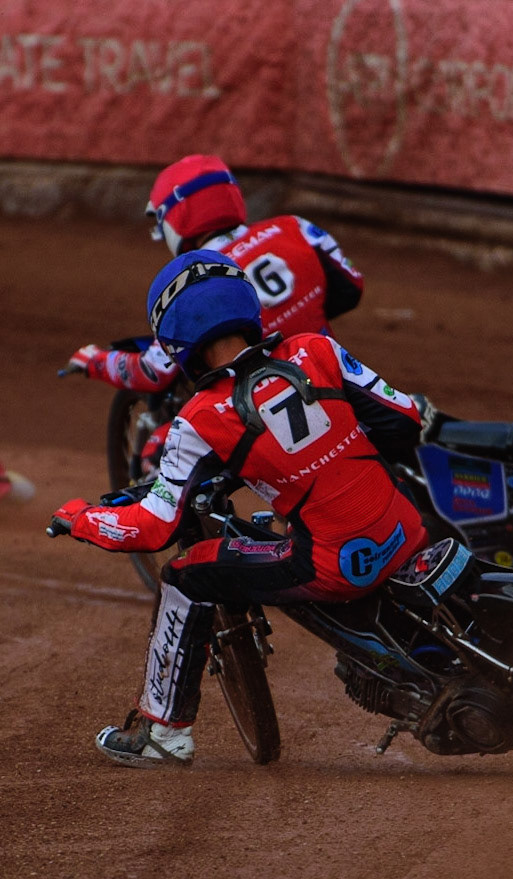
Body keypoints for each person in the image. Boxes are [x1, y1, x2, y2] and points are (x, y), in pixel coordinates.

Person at [49, 250, 427, 767]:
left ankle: (163, 731)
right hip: (406, 528)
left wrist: (78, 516)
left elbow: (154, 527)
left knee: (186, 573)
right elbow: (404, 419)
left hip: (336, 565)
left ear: (178, 339)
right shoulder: (317, 349)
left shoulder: (198, 419)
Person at [64, 153, 364, 394]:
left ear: (176, 215)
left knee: (160, 447)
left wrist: (95, 361)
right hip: (336, 376)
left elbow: (153, 371)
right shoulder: (294, 226)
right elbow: (351, 288)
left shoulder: (199, 277)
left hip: (260, 405)